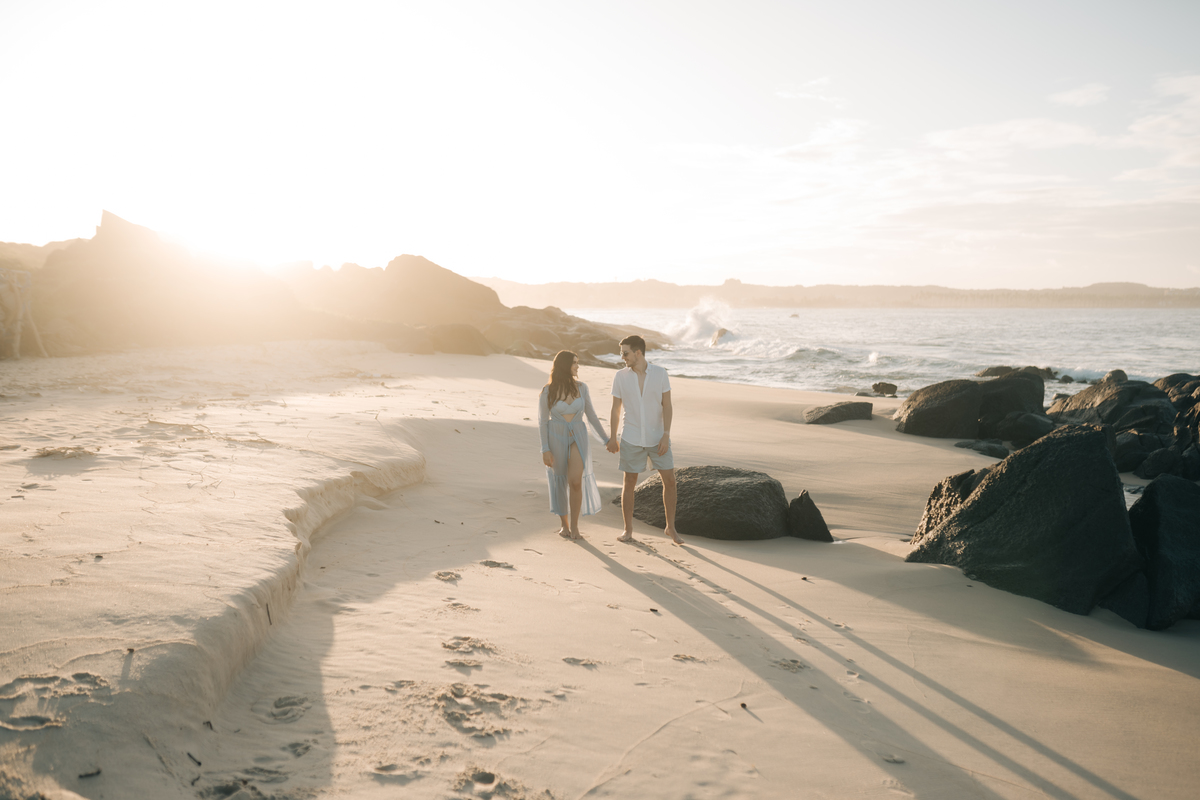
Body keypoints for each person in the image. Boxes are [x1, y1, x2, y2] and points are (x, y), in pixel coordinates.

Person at [606, 335, 682, 545]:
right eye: (622, 353)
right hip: (631, 436)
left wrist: (666, 434)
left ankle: (670, 528)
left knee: (670, 481)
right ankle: (628, 530)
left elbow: (667, 405)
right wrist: (613, 437)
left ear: (638, 352)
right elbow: (615, 408)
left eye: (625, 353)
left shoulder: (660, 374)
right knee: (629, 482)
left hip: (658, 437)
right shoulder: (620, 376)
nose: (622, 357)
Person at [539, 350, 609, 540]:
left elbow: (592, 416)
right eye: (575, 363)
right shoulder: (548, 391)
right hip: (556, 436)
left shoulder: (582, 388)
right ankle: (565, 525)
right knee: (560, 481)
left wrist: (606, 439)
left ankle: (576, 526)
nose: (578, 366)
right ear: (564, 365)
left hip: (578, 435)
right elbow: (543, 421)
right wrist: (545, 449)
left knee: (576, 481)